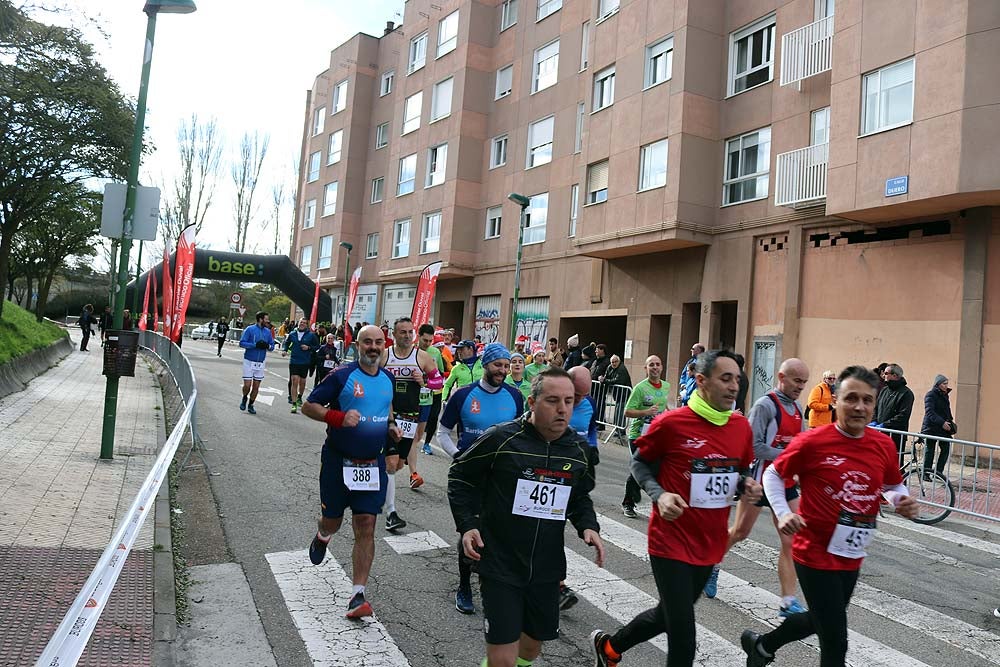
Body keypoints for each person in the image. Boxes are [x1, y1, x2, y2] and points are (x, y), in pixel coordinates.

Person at [592, 350, 762, 667]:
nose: (733, 386)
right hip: (669, 541)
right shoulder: (672, 423)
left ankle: (610, 648)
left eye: (737, 379)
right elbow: (640, 464)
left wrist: (746, 485)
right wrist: (659, 495)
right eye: (725, 378)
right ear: (701, 381)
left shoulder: (740, 427)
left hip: (709, 543)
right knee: (684, 633)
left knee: (666, 615)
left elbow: (737, 472)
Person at [740, 366, 919, 667]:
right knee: (836, 640)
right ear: (835, 401)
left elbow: (891, 483)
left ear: (875, 403)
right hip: (814, 553)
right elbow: (773, 474)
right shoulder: (812, 442)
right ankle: (763, 646)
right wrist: (783, 513)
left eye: (867, 400)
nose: (859, 407)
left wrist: (899, 498)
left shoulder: (883, 445)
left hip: (851, 552)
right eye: (851, 398)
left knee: (817, 620)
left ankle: (762, 645)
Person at [449, 366, 605, 667]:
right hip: (500, 563)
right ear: (532, 403)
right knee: (503, 659)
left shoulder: (578, 450)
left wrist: (588, 526)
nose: (562, 409)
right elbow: (459, 476)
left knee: (530, 649)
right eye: (552, 401)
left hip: (546, 567)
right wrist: (467, 525)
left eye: (569, 401)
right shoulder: (502, 439)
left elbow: (579, 495)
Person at [301, 325, 402, 618]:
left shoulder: (388, 378)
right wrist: (338, 416)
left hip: (371, 464)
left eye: (378, 342)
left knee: (367, 524)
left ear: (385, 345)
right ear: (357, 346)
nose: (373, 347)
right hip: (338, 461)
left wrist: (391, 427)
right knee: (332, 521)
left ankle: (358, 596)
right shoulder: (342, 376)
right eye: (367, 342)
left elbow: (387, 408)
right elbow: (310, 406)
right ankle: (323, 535)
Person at [703, 358, 810, 617]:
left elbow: (800, 445)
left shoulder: (797, 407)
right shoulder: (765, 406)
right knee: (740, 532)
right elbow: (754, 446)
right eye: (797, 381)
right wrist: (787, 455)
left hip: (784, 484)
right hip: (759, 482)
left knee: (792, 541)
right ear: (782, 377)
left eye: (804, 382)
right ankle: (711, 566)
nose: (800, 387)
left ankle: (787, 601)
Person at [438, 343, 524, 615]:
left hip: (501, 479)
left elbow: (520, 435)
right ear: (486, 364)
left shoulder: (515, 396)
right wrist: (458, 457)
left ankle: (497, 585)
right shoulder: (463, 395)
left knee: (500, 531)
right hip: (470, 477)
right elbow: (442, 432)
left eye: (506, 365)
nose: (503, 370)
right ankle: (464, 586)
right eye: (498, 365)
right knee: (470, 529)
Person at [380, 317, 437, 526]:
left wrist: (425, 381)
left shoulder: (422, 357)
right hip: (387, 415)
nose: (407, 335)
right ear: (394, 335)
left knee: (399, 464)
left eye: (410, 332)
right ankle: (391, 512)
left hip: (410, 417)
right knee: (391, 463)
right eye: (402, 332)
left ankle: (380, 485)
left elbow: (439, 381)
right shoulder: (385, 356)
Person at [621, 355, 670, 518]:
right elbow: (627, 412)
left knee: (656, 468)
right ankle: (628, 503)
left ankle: (657, 500)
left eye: (657, 364)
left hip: (656, 435)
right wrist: (645, 412)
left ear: (661, 367)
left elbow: (664, 406)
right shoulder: (640, 388)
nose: (655, 367)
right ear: (646, 369)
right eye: (651, 365)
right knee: (638, 467)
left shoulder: (666, 386)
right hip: (637, 435)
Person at [872, 363, 915, 467]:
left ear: (895, 375)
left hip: (895, 436)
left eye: (886, 373)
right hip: (880, 434)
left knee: (895, 466)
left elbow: (903, 416)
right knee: (878, 463)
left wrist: (885, 425)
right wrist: (874, 421)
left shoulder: (906, 393)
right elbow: (876, 408)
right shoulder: (884, 390)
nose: (883, 375)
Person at [416, 323, 448, 456]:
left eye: (430, 341)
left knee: (433, 417)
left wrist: (433, 380)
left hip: (434, 392)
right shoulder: (412, 351)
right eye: (425, 340)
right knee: (415, 418)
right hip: (417, 392)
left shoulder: (435, 352)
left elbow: (441, 371)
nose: (428, 343)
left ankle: (427, 443)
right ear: (418, 337)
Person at [238, 311, 275, 415]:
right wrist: (255, 345)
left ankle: (251, 404)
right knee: (247, 385)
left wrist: (267, 346)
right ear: (260, 319)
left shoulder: (267, 332)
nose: (268, 321)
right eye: (266, 319)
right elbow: (242, 343)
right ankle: (245, 397)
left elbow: (272, 346)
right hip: (249, 361)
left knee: (256, 387)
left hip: (260, 363)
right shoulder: (250, 329)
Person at [283, 317, 320, 413]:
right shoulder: (292, 334)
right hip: (294, 361)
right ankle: (294, 403)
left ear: (306, 325)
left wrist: (308, 347)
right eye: (301, 322)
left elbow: (317, 346)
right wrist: (285, 350)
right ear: (298, 323)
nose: (302, 324)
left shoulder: (311, 335)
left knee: (302, 382)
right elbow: (287, 343)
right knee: (294, 380)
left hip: (305, 362)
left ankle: (299, 396)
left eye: (304, 323)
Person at [921, 374, 956, 475]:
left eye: (947, 383)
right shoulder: (930, 395)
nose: (946, 385)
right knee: (930, 451)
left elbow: (947, 411)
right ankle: (926, 473)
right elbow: (930, 412)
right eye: (944, 384)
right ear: (938, 384)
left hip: (943, 428)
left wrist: (950, 421)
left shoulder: (945, 395)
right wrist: (942, 422)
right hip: (931, 427)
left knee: (946, 448)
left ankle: (938, 472)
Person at [602, 354, 633, 435]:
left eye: (616, 362)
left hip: (624, 393)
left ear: (619, 361)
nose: (614, 364)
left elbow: (618, 380)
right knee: (617, 411)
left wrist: (605, 380)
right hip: (617, 393)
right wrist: (603, 379)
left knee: (620, 412)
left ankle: (620, 430)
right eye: (612, 362)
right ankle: (618, 429)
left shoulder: (622, 369)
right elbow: (606, 376)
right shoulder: (610, 367)